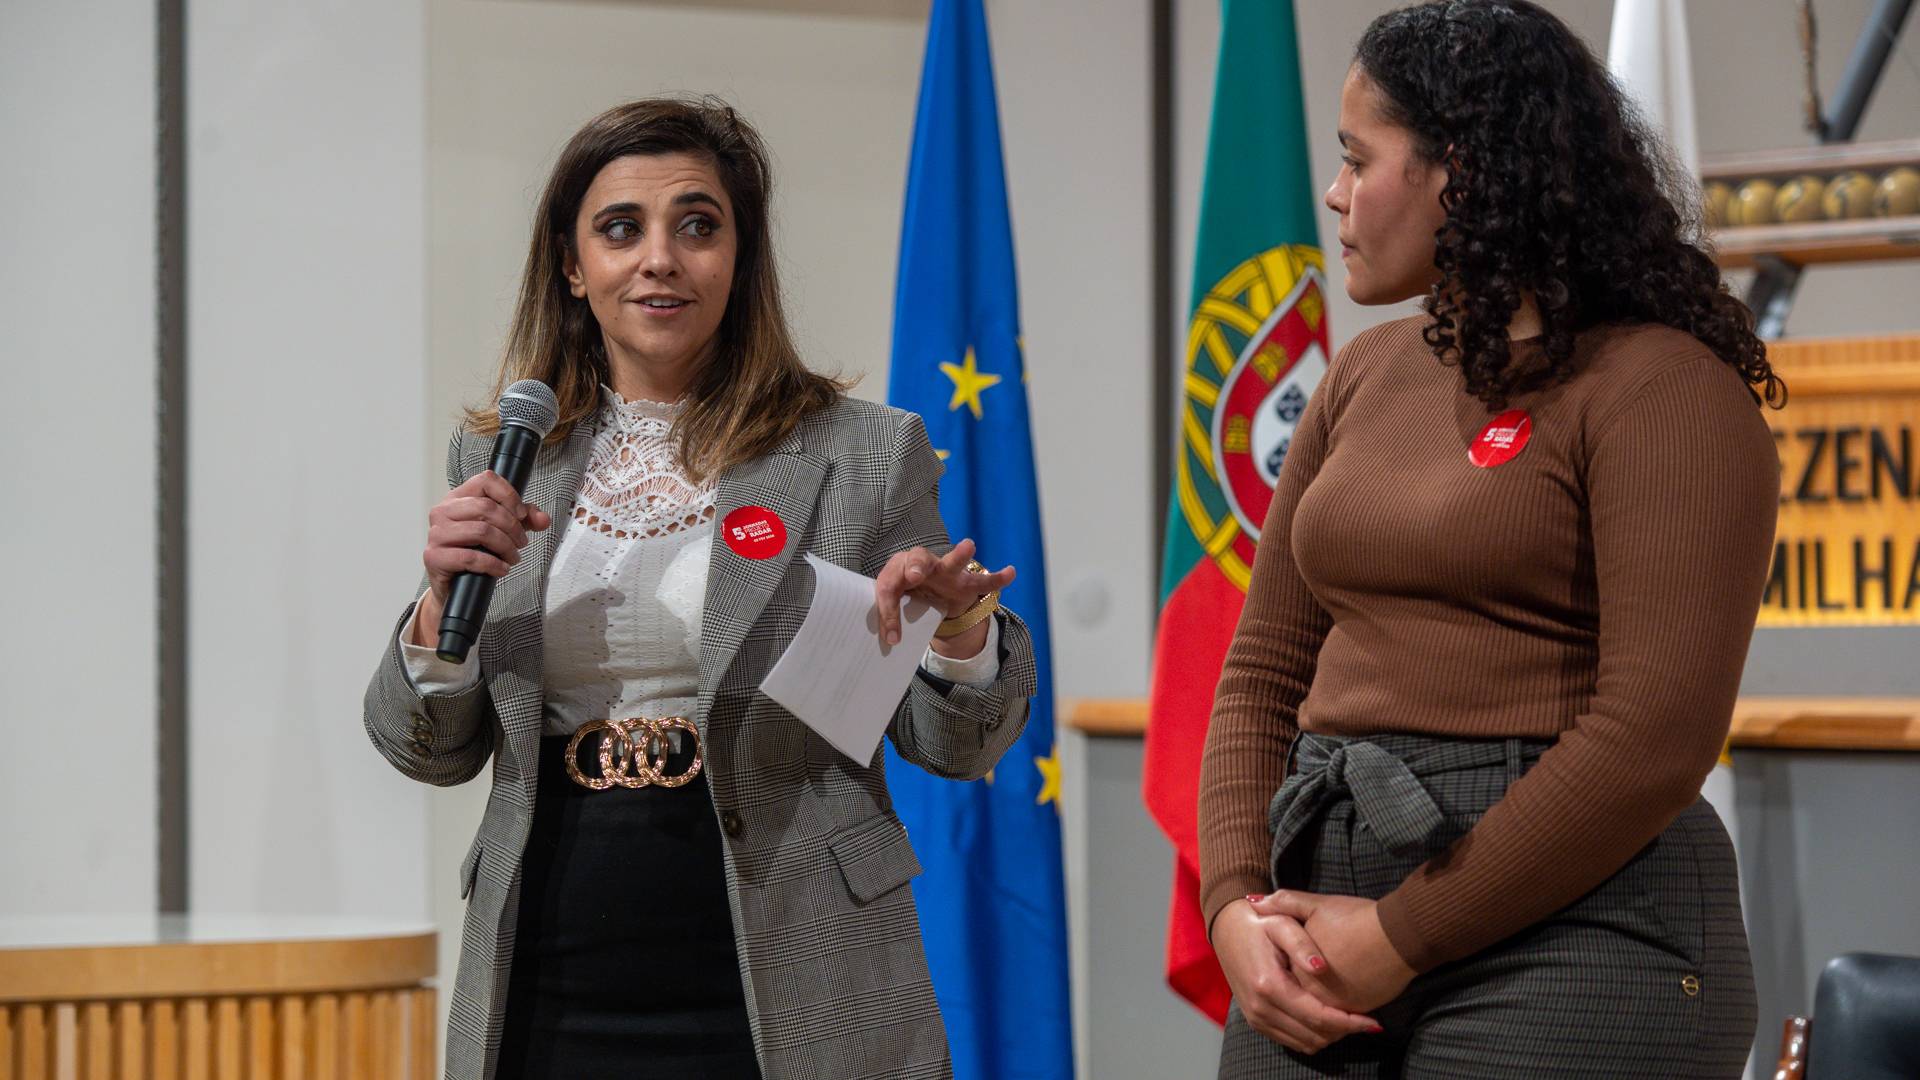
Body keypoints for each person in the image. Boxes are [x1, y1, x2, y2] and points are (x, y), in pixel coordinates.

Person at [363, 97, 1035, 1080]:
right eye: (620, 229)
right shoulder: (505, 457)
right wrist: (437, 611)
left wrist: (957, 631)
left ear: (739, 254)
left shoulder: (863, 455)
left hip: (797, 961)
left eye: (697, 226)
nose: (660, 259)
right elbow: (426, 748)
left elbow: (958, 746)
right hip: (549, 958)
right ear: (571, 265)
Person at [1199, 3, 1783, 1077]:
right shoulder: (1364, 373)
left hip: (1577, 924)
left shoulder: (1663, 388)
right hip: (1318, 904)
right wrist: (1235, 903)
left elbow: (1652, 737)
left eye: (1357, 158)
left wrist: (1401, 935)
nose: (1334, 192)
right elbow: (1262, 671)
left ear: (1460, 175)